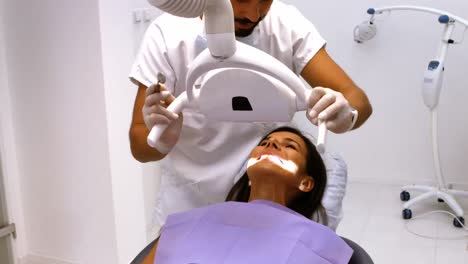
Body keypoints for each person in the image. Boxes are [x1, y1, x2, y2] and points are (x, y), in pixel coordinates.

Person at [129, 0, 373, 231]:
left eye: (264, 1)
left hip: (269, 207)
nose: (253, 14)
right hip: (190, 202)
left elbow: (358, 100)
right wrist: (162, 141)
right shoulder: (167, 33)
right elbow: (139, 146)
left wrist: (346, 115)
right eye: (242, 0)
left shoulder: (285, 23)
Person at [134, 127, 353, 264]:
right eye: (265, 143)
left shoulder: (321, 244)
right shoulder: (189, 223)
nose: (271, 144)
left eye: (290, 146)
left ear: (305, 183)